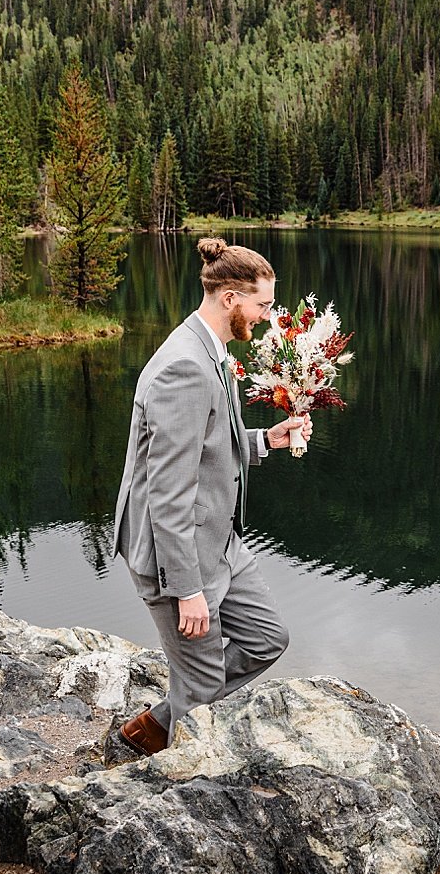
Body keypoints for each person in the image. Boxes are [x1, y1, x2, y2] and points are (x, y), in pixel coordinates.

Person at [107, 238, 310, 759]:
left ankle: (159, 721)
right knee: (199, 695)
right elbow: (168, 494)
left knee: (268, 638)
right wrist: (186, 591)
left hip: (218, 540)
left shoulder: (213, 353)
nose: (267, 319)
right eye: (262, 306)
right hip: (178, 556)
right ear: (229, 299)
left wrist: (267, 439)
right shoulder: (185, 367)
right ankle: (172, 775)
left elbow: (210, 444)